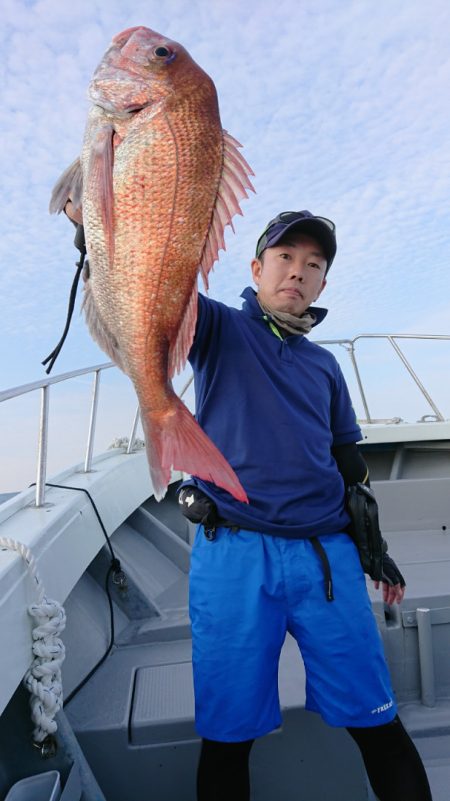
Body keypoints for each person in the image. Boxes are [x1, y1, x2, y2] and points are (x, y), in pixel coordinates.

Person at [178, 210, 432, 801]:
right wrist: (93, 236)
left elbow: (348, 461)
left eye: (313, 265)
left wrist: (373, 545)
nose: (297, 272)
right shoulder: (215, 328)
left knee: (378, 720)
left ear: (322, 284)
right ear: (257, 268)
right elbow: (155, 291)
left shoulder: (325, 365)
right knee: (226, 736)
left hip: (327, 559)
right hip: (233, 555)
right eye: (286, 258)